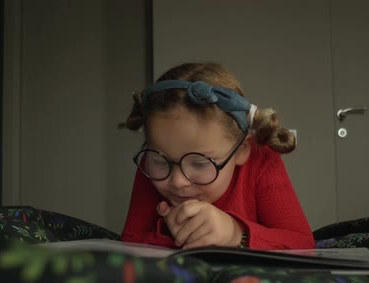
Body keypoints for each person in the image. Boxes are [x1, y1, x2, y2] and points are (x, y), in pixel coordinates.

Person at [120, 62, 315, 250]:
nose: (177, 181)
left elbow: (303, 243)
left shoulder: (262, 159)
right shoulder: (152, 164)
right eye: (160, 161)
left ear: (242, 150)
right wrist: (172, 232)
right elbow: (131, 242)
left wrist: (235, 234)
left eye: (199, 163)